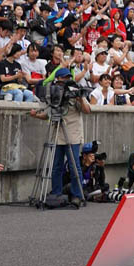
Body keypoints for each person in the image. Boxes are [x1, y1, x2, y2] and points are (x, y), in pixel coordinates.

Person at [28, 68, 92, 201]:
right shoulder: (52, 92)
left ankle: (77, 194)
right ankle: (56, 192)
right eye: (63, 78)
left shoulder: (74, 91)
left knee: (74, 166)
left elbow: (87, 110)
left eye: (68, 78)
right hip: (57, 132)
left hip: (72, 134)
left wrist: (80, 98)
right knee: (56, 166)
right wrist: (36, 115)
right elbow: (48, 115)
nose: (66, 81)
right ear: (57, 79)